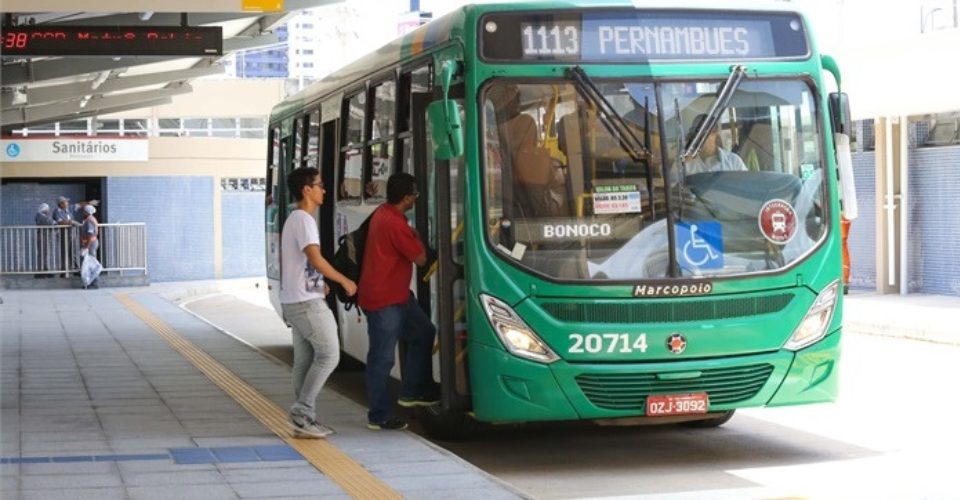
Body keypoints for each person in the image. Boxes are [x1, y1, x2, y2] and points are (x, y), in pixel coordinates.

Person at [280, 167, 357, 439]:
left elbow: (300, 264)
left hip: (295, 299)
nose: (324, 190)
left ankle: (303, 421)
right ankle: (302, 411)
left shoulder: (295, 219)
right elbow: (314, 258)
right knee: (329, 355)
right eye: (320, 185)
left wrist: (318, 283)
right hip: (306, 304)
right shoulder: (304, 220)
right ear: (306, 190)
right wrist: (343, 280)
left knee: (304, 360)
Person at [359, 172, 438, 431]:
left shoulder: (385, 214)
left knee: (424, 332)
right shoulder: (395, 225)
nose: (416, 199)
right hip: (385, 301)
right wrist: (416, 237)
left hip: (400, 296)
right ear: (406, 198)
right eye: (415, 195)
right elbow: (421, 259)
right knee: (382, 358)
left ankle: (412, 392)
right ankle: (378, 415)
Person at [683, 123, 747, 176]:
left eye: (702, 134)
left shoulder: (734, 161)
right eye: (695, 136)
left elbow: (746, 185)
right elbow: (675, 185)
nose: (698, 139)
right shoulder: (687, 165)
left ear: (714, 133)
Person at [79, 204, 101, 289]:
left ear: (87, 212)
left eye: (84, 211)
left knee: (91, 264)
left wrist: (86, 247)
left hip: (90, 244)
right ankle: (90, 282)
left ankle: (94, 283)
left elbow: (90, 235)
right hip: (91, 243)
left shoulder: (89, 221)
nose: (83, 212)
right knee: (89, 263)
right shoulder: (90, 219)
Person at [35, 203, 56, 278]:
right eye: (48, 209)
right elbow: (50, 222)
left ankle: (45, 269)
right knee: (42, 254)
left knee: (45, 254)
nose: (49, 210)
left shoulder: (42, 215)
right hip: (42, 236)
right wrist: (55, 222)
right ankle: (40, 271)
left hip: (45, 236)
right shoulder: (40, 215)